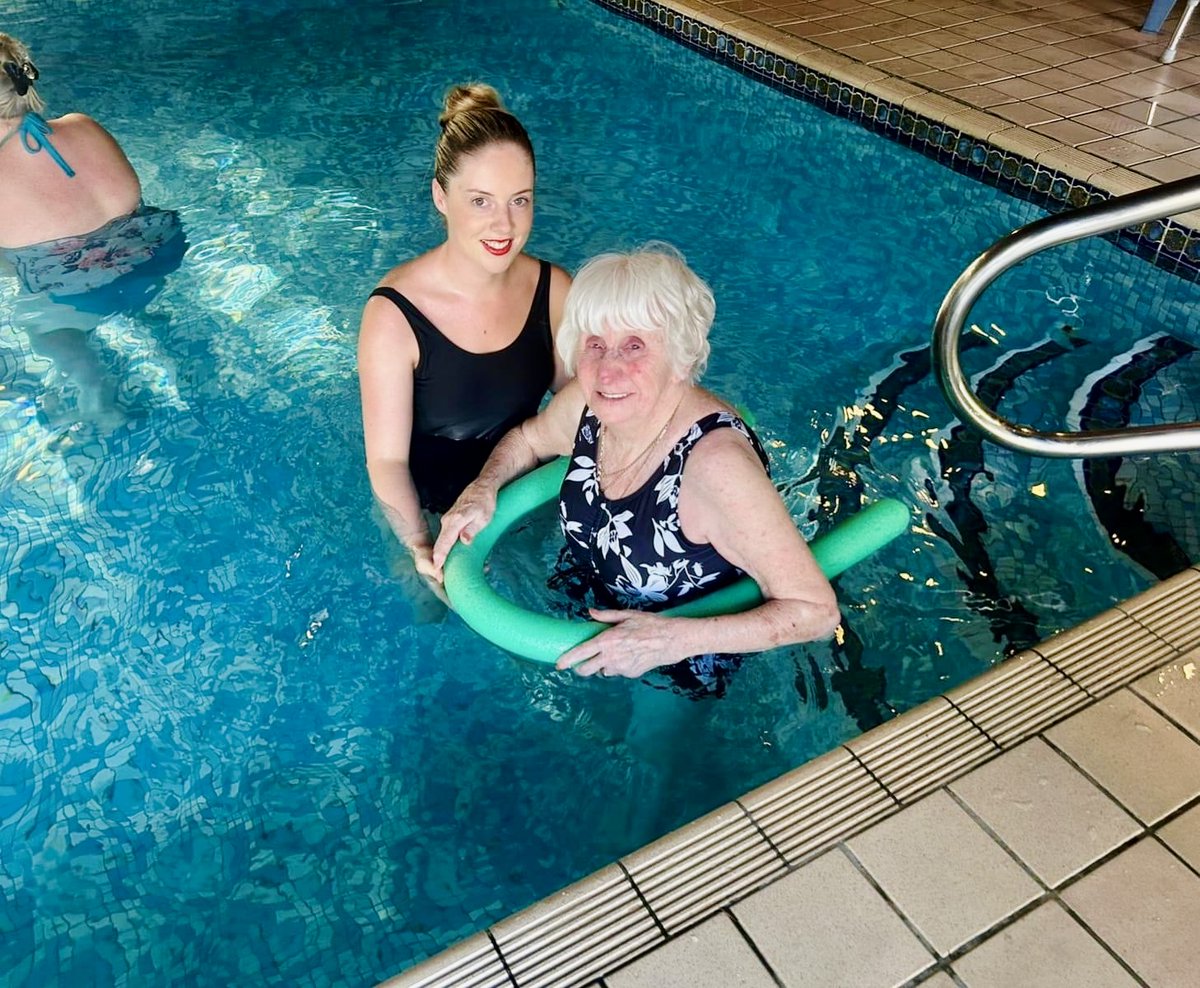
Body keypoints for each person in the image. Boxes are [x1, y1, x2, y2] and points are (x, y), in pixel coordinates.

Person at [432, 243, 841, 694]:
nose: (608, 371)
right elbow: (528, 440)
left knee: (642, 753)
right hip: (586, 600)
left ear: (682, 358)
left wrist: (669, 641)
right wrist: (483, 488)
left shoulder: (716, 467)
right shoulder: (588, 406)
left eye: (635, 346)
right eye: (595, 345)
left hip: (680, 647)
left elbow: (816, 612)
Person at [357, 83, 570, 588]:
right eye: (481, 201)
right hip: (427, 507)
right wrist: (418, 547)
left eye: (520, 200)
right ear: (440, 198)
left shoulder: (555, 290)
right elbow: (386, 461)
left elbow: (584, 404)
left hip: (520, 491)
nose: (505, 224)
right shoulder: (395, 316)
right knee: (428, 612)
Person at [0, 33, 185, 427]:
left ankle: (95, 391)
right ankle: (150, 320)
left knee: (39, 324)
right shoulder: (83, 124)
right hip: (160, 251)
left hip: (86, 294)